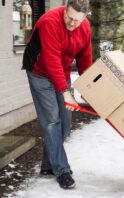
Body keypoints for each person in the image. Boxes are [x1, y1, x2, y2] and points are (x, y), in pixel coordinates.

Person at [22, 0, 92, 189]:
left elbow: (85, 57)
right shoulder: (50, 22)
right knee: (52, 121)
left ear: (85, 17)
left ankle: (47, 165)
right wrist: (66, 93)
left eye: (77, 20)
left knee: (65, 122)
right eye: (69, 18)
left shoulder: (84, 28)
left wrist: (89, 88)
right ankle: (62, 170)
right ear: (65, 9)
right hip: (39, 72)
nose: (72, 23)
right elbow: (52, 60)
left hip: (63, 73)